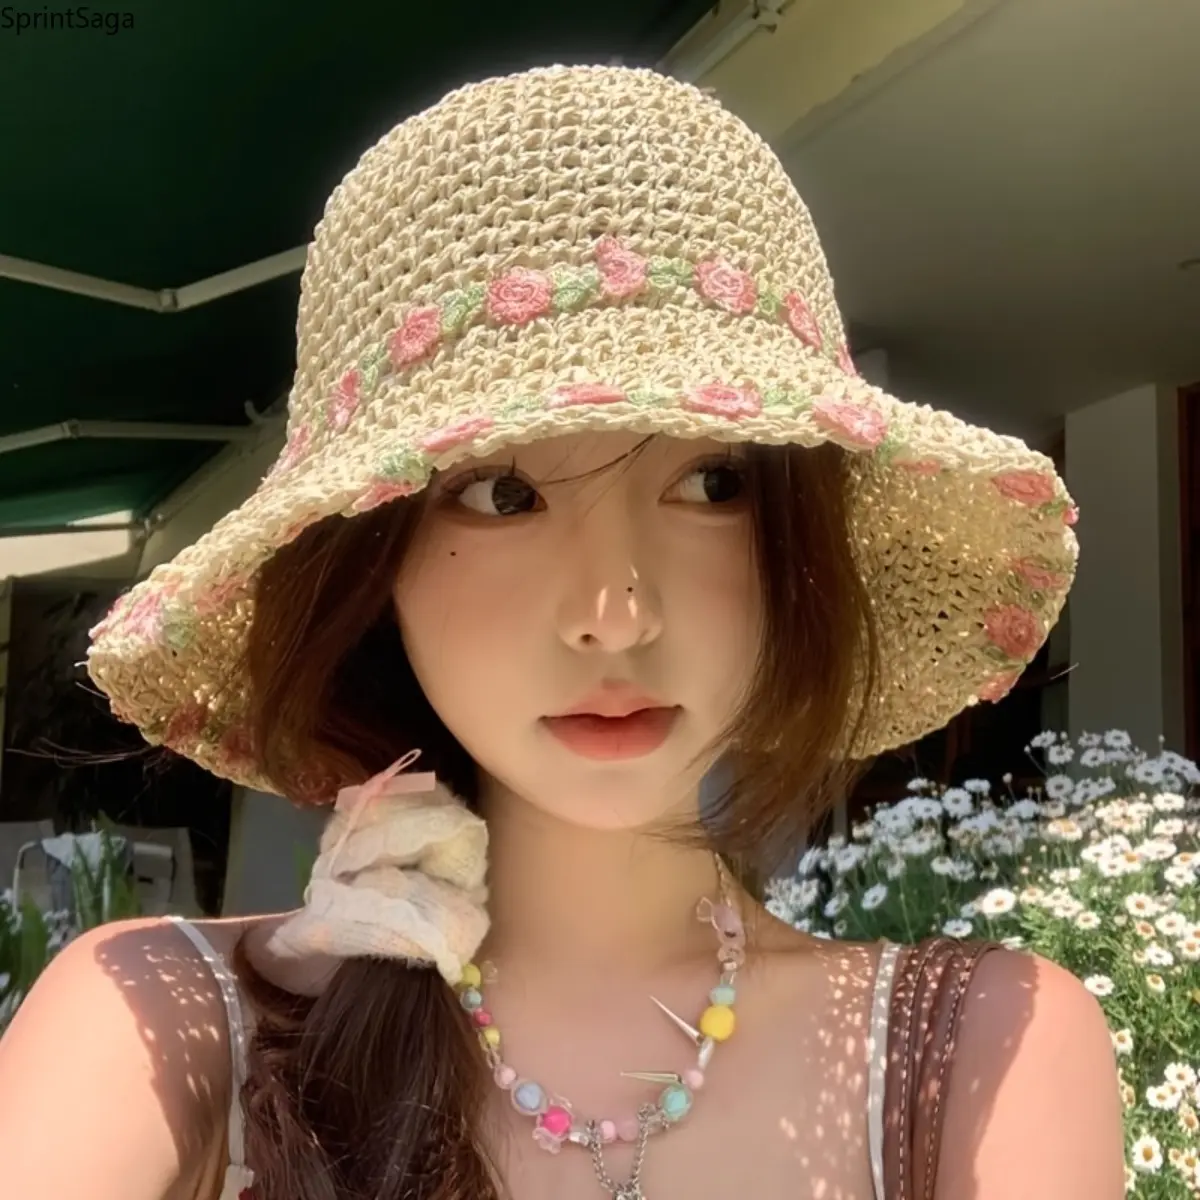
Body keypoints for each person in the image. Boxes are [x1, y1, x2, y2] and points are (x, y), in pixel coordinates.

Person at [0, 65, 1123, 1200]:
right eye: (503, 495)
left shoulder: (974, 1060)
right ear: (372, 563)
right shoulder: (170, 1033)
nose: (615, 614)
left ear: (798, 544)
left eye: (713, 483)